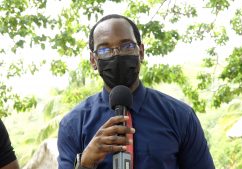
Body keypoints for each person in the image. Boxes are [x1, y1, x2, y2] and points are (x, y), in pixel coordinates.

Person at [57, 14, 215, 169]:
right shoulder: (73, 124)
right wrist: (84, 164)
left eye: (127, 46)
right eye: (105, 50)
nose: (116, 54)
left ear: (141, 51)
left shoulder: (180, 116)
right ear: (93, 60)